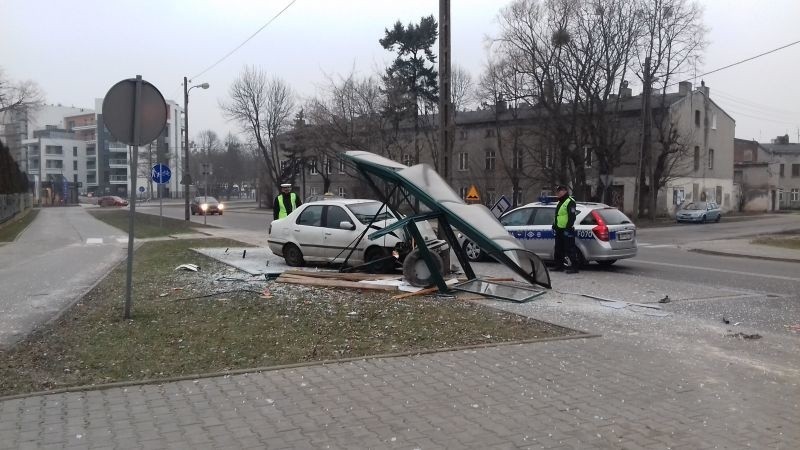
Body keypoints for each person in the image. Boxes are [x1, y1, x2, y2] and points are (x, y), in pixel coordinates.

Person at [552, 184, 579, 274]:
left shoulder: (570, 201)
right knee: (558, 248)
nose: (558, 193)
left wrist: (568, 227)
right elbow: (558, 216)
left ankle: (574, 267)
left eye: (559, 191)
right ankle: (559, 266)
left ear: (564, 191)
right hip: (559, 229)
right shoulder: (560, 202)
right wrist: (554, 225)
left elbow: (572, 216)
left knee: (570, 249)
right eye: (557, 192)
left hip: (567, 229)